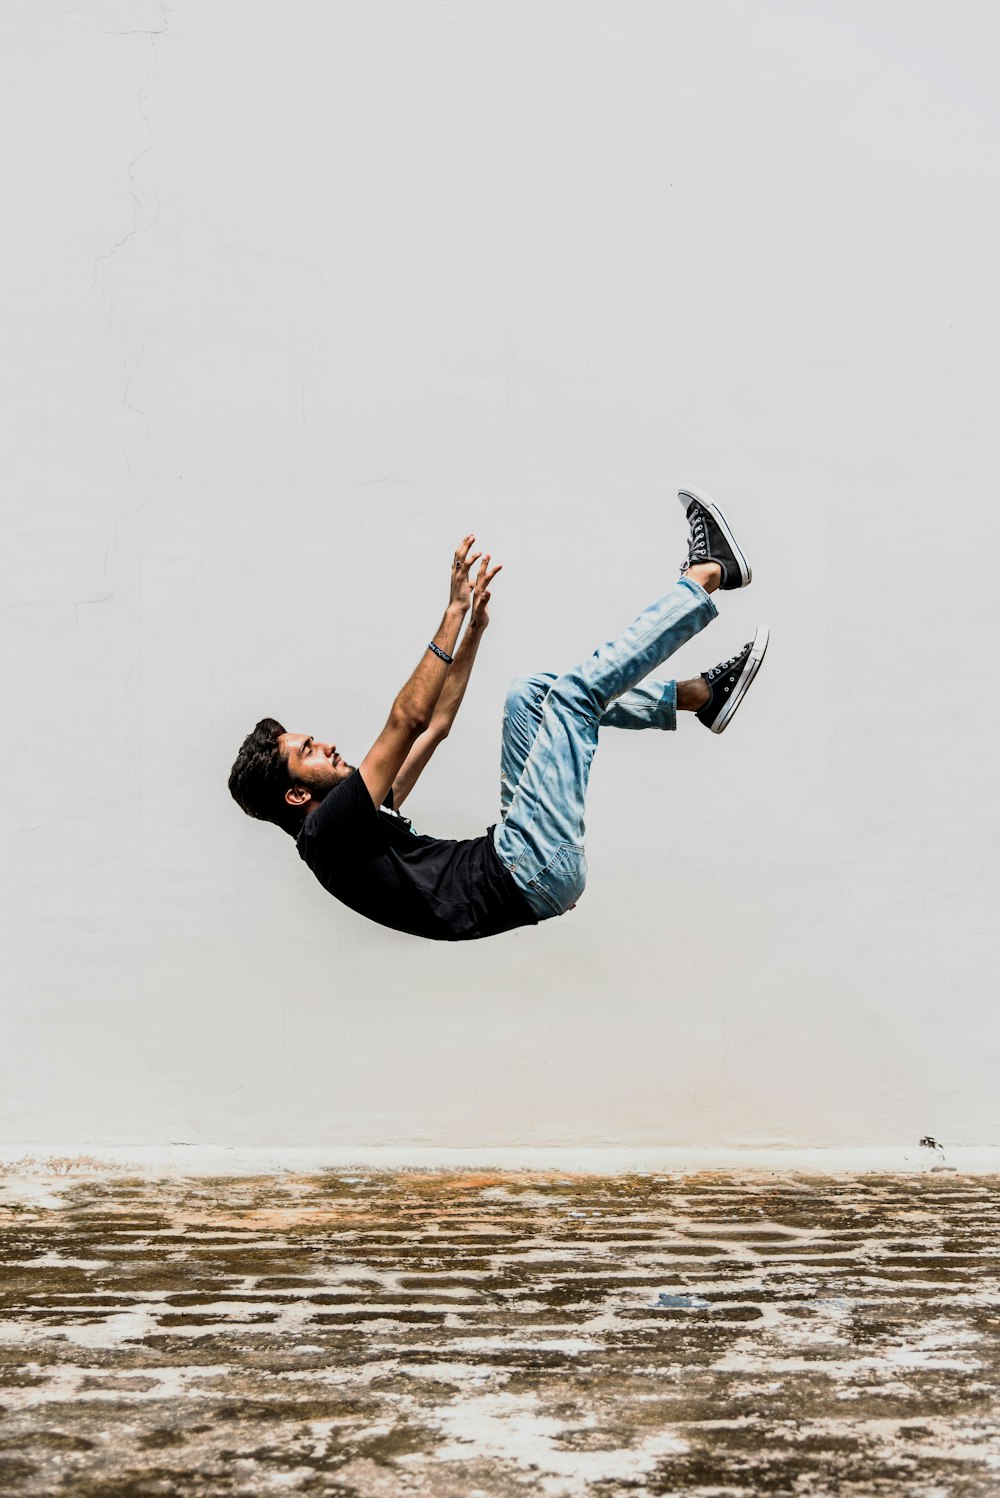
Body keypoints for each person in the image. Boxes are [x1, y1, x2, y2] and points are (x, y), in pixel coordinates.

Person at [228, 488, 769, 942]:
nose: (325, 746)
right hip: (524, 866)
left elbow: (435, 727)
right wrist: (453, 613)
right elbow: (406, 721)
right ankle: (707, 574)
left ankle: (699, 697)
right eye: (308, 752)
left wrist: (474, 633)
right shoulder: (327, 832)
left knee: (529, 695)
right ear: (296, 794)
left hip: (518, 855)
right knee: (574, 695)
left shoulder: (356, 829)